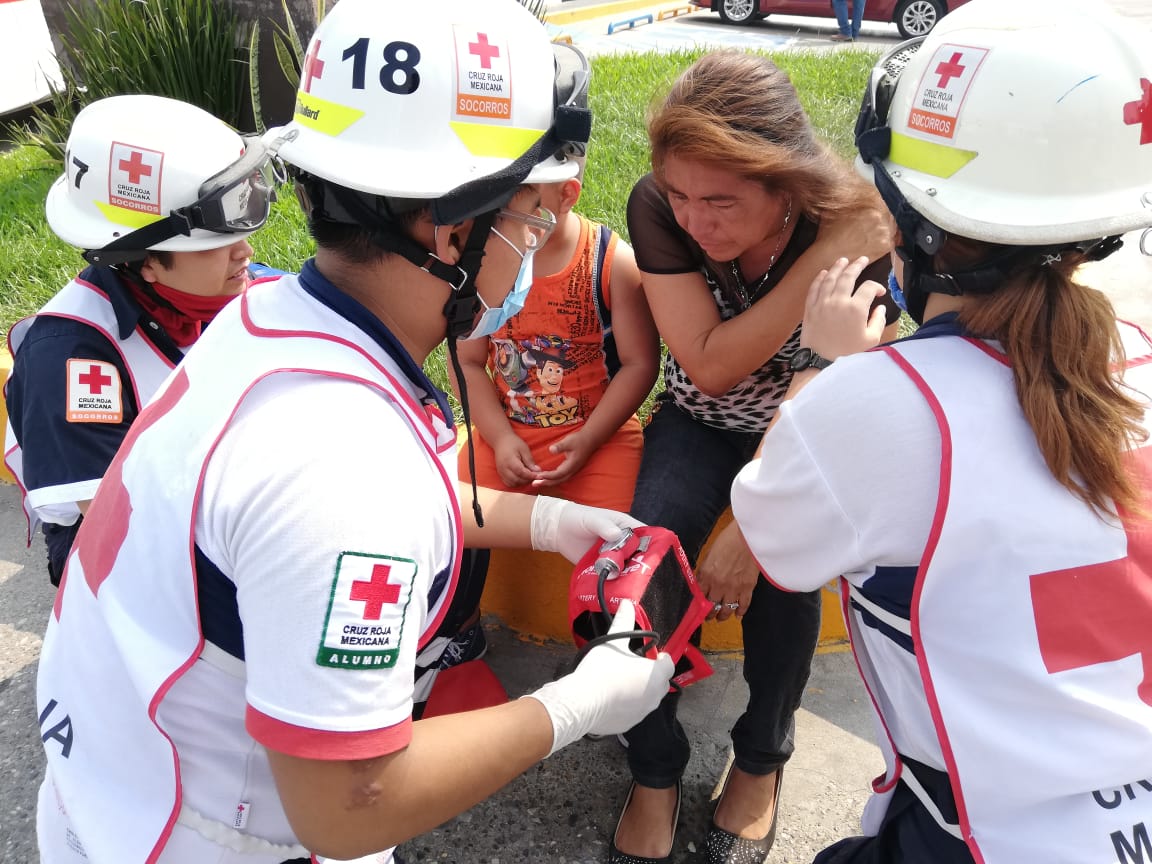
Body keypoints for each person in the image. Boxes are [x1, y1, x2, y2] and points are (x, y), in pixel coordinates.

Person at [33, 2, 674, 863]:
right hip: (210, 838)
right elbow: (349, 807)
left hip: (126, 790)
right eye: (526, 220)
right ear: (451, 231)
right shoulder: (341, 467)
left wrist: (549, 525)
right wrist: (577, 706)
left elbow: (316, 524)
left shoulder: (270, 320)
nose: (533, 247)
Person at [731, 1, 1152, 861]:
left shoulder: (875, 403)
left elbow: (771, 538)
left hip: (981, 834)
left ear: (907, 220)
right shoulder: (1137, 354)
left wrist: (826, 369)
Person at [610, 51, 900, 864]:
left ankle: (763, 758)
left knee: (787, 572)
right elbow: (706, 363)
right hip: (699, 418)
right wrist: (821, 260)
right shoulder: (661, 211)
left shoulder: (863, 230)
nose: (696, 222)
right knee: (647, 554)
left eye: (722, 202)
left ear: (789, 189)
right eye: (681, 195)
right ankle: (654, 766)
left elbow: (822, 385)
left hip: (813, 424)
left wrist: (749, 518)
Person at [3, 94, 279, 586]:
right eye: (218, 246)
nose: (245, 252)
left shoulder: (236, 288)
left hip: (225, 497)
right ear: (146, 260)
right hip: (121, 547)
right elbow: (121, 519)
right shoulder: (70, 357)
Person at [448, 45, 659, 667]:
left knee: (614, 555)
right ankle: (454, 629)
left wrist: (590, 439)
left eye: (513, 201)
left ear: (565, 194)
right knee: (453, 525)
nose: (493, 217)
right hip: (505, 435)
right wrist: (497, 435)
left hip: (597, 437)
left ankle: (606, 661)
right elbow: (469, 361)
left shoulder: (609, 262)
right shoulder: (484, 263)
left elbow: (642, 364)